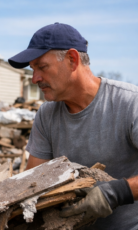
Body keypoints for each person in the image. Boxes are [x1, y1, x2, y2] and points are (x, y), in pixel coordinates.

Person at [8, 22, 138, 229]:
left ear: (72, 59)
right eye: (33, 69)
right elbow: (32, 182)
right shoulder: (47, 114)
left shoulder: (130, 103)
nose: (35, 79)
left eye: (42, 67)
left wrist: (117, 192)